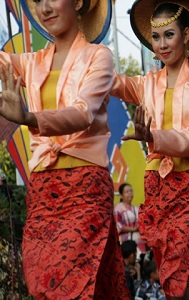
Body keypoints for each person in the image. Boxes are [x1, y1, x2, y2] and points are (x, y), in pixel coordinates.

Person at [0, 0, 130, 298]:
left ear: (79, 2)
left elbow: (83, 113)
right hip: (43, 192)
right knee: (42, 283)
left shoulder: (99, 56)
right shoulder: (30, 62)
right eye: (37, 1)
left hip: (85, 189)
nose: (44, 8)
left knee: (69, 284)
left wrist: (29, 118)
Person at [110, 1, 189, 299]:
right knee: (171, 274)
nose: (162, 44)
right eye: (156, 37)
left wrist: (154, 137)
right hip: (156, 186)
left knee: (178, 267)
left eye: (169, 35)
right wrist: (83, 46)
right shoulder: (145, 84)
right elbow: (108, 81)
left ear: (186, 35)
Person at [114, 182, 146, 253]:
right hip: (126, 242)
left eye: (131, 191)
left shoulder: (137, 209)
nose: (130, 193)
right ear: (121, 195)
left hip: (139, 241)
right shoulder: (118, 208)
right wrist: (134, 229)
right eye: (127, 192)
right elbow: (118, 226)